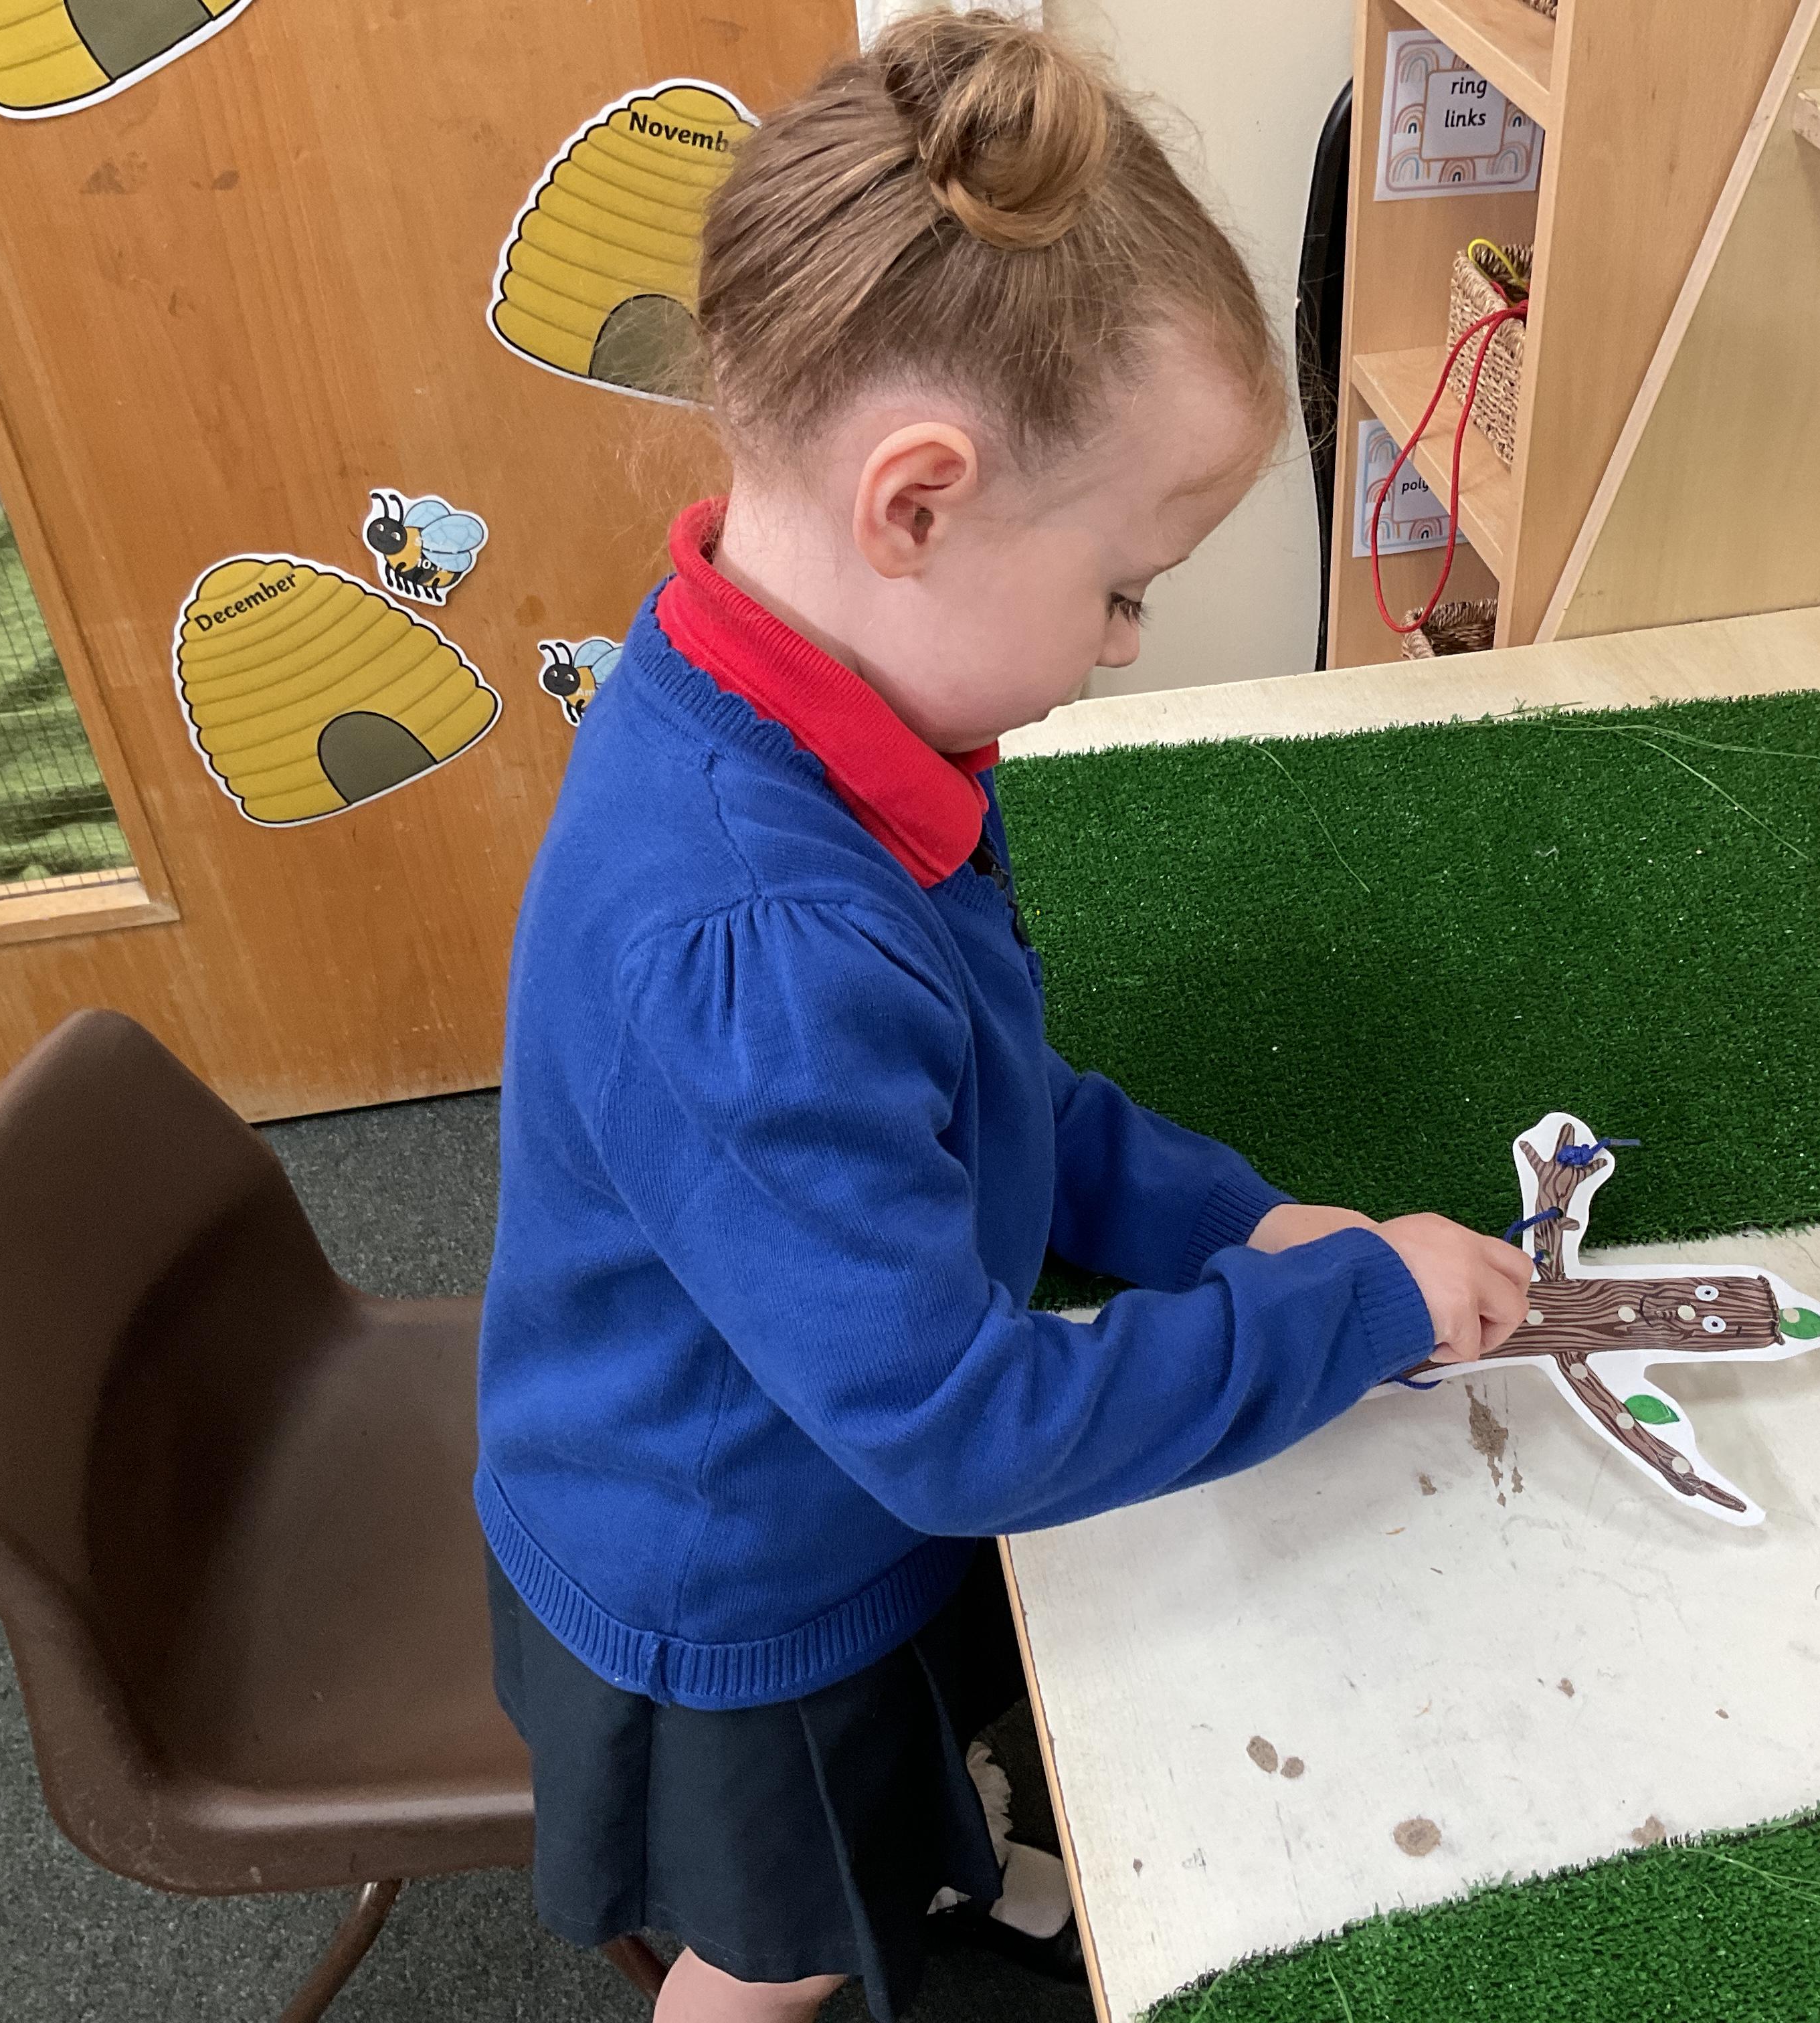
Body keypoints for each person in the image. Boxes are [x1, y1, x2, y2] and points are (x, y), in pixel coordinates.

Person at [476, 14, 1532, 2021]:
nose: (1125, 648)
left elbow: (982, 1087)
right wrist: (1349, 1305)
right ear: (918, 505)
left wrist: (1232, 1220)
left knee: (892, 1831)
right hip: (746, 1583)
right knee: (771, 1968)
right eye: (1125, 588)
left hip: (808, 1478)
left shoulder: (792, 691)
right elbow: (962, 1428)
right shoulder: (765, 934)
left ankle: (935, 1850)